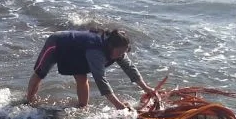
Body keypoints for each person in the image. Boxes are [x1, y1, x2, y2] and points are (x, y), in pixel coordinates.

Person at [26, 29, 158, 109]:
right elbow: (100, 79)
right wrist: (117, 104)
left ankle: (82, 107)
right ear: (110, 47)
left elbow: (130, 68)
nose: (121, 55)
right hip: (57, 44)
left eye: (124, 52)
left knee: (82, 78)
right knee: (40, 73)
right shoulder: (96, 52)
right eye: (119, 52)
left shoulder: (119, 50)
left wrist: (147, 89)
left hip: (77, 52)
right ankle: (29, 101)